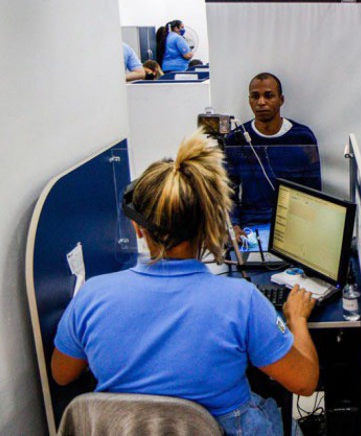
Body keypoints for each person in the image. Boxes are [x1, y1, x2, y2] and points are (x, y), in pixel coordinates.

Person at [51, 129, 319, 435]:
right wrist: (297, 320)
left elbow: (62, 374)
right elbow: (305, 383)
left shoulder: (92, 296)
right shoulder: (240, 300)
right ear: (207, 226)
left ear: (138, 228)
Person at [224, 73, 321, 241]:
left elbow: (313, 193)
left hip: (293, 227)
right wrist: (234, 226)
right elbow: (228, 193)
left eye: (269, 96)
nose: (261, 102)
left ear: (281, 100)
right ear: (249, 100)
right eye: (255, 96)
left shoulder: (302, 137)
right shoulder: (236, 139)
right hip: (250, 228)